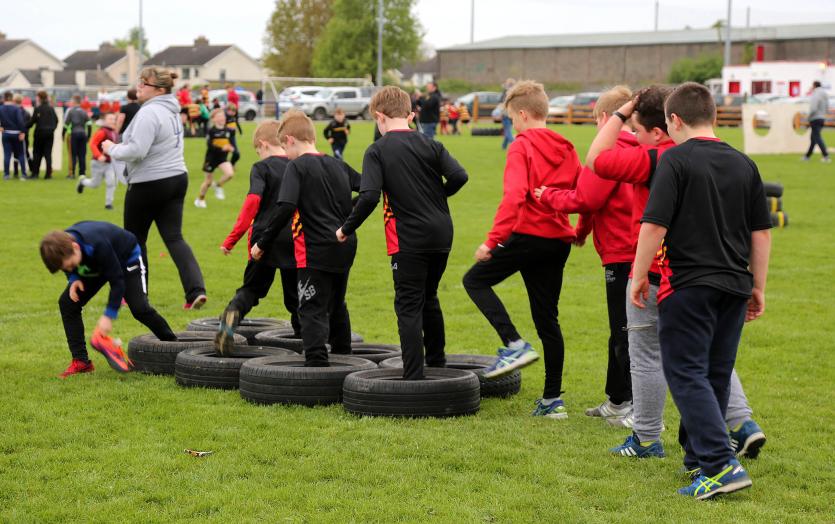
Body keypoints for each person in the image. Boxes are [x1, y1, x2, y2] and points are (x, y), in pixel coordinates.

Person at [587, 87, 767, 462]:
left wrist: (620, 113)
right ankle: (739, 424)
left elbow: (598, 161)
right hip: (730, 275)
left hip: (668, 275)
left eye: (636, 131)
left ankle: (652, 438)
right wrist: (758, 284)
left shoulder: (658, 159)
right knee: (710, 360)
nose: (632, 138)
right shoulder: (737, 161)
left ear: (666, 126)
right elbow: (759, 230)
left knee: (657, 358)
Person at [631, 82, 772, 499]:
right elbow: (760, 233)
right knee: (714, 373)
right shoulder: (745, 163)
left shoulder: (675, 161)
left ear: (673, 120)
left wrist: (639, 275)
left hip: (688, 284)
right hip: (734, 283)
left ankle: (720, 464)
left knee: (687, 372)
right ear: (712, 116)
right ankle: (698, 461)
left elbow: (654, 224)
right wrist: (758, 285)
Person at [462, 80, 579, 418]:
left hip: (528, 236)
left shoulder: (521, 146)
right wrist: (580, 229)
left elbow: (515, 197)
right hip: (558, 241)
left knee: (475, 281)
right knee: (547, 319)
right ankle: (552, 401)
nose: (512, 125)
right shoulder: (568, 147)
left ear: (524, 115)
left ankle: (513, 344)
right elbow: (583, 193)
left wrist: (492, 241)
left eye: (512, 119)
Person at [337, 86, 468, 380]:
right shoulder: (431, 144)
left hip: (408, 238)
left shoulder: (377, 150)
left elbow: (369, 196)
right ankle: (437, 362)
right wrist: (438, 197)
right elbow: (460, 175)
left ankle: (413, 377)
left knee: (408, 304)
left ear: (380, 117)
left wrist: (346, 228)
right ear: (408, 114)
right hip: (442, 233)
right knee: (429, 296)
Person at [534, 86, 636, 426]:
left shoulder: (607, 152)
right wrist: (580, 233)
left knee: (626, 331)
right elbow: (597, 200)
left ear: (606, 119)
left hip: (623, 252)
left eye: (596, 121)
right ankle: (617, 398)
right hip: (637, 249)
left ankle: (635, 406)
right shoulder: (642, 149)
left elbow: (584, 199)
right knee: (621, 328)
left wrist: (547, 196)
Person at [250, 110, 360, 367]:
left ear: (289, 140)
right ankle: (344, 358)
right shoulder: (338, 164)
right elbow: (369, 189)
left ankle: (317, 366)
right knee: (337, 303)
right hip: (345, 245)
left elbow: (285, 208)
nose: (285, 154)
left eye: (283, 147)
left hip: (314, 248)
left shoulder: (296, 166)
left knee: (310, 306)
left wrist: (262, 243)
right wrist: (347, 215)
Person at [102, 66, 207, 310]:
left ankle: (137, 296)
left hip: (149, 182)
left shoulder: (150, 113)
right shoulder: (171, 110)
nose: (139, 86)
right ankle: (196, 291)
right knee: (174, 237)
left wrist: (111, 149)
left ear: (159, 90)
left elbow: (137, 150)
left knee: (134, 240)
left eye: (144, 84)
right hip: (177, 178)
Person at [40, 222, 178, 378]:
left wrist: (108, 316)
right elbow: (68, 264)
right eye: (66, 268)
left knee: (140, 308)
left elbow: (117, 281)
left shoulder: (96, 243)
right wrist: (74, 278)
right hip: (96, 263)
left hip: (126, 259)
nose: (70, 268)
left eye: (71, 265)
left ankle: (173, 347)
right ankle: (81, 362)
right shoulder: (63, 246)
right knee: (68, 303)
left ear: (75, 247)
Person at [215, 119, 300, 354]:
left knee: (251, 289)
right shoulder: (297, 165)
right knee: (295, 297)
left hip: (263, 239)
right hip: (294, 236)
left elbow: (252, 202)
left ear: (263, 144)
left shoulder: (261, 168)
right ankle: (305, 343)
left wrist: (232, 239)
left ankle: (231, 317)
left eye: (257, 151)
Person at [77, 112, 119, 209]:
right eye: (110, 119)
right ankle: (82, 182)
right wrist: (99, 155)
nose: (113, 121)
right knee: (94, 184)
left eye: (114, 119)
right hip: (98, 163)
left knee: (111, 182)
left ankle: (108, 204)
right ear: (105, 121)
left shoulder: (115, 132)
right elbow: (92, 144)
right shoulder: (102, 131)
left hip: (110, 163)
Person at [194, 109, 235, 208]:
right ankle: (200, 199)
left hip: (222, 159)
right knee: (208, 182)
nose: (222, 118)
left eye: (223, 116)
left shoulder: (228, 131)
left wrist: (231, 147)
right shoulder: (211, 131)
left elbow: (229, 143)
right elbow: (209, 146)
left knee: (229, 174)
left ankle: (218, 185)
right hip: (211, 159)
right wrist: (222, 148)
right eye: (219, 116)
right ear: (214, 119)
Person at [27, 90, 58, 179]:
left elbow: (32, 121)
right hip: (49, 134)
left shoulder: (38, 109)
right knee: (48, 154)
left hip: (39, 133)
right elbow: (56, 120)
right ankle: (48, 174)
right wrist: (52, 128)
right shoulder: (51, 108)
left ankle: (35, 173)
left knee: (37, 153)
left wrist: (24, 126)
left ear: (39, 98)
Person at [0, 91, 30, 180]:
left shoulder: (1, 108)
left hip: (6, 133)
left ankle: (6, 174)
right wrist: (23, 132)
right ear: (12, 98)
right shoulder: (16, 108)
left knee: (7, 154)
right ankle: (23, 174)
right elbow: (20, 121)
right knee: (21, 154)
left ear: (4, 98)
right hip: (16, 133)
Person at [63, 95, 91, 179]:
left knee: (73, 154)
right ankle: (82, 173)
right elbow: (89, 124)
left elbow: (66, 124)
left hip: (74, 134)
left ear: (74, 102)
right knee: (82, 155)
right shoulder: (84, 111)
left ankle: (72, 174)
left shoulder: (71, 111)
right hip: (83, 134)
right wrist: (88, 136)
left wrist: (62, 135)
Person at [803, 80, 830, 163]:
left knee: (817, 137)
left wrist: (808, 117)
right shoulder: (825, 94)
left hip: (815, 118)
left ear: (814, 85)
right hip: (822, 118)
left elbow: (813, 108)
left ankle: (825, 156)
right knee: (813, 138)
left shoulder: (816, 94)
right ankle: (807, 156)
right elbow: (826, 107)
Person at [500, 78, 516, 149]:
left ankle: (508, 144)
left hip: (507, 114)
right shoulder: (511, 93)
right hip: (509, 114)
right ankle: (508, 145)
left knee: (507, 130)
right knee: (508, 129)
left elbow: (502, 102)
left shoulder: (506, 92)